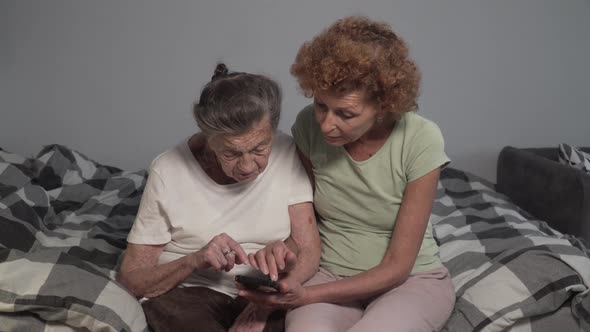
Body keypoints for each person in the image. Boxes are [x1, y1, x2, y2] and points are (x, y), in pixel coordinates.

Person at [238, 16, 456, 332]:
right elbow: (305, 220)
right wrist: (284, 253)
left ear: (384, 105)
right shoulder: (308, 127)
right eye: (321, 105)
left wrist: (306, 296)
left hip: (410, 281)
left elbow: (398, 266)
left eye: (346, 114)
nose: (326, 124)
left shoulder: (421, 138)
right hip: (328, 271)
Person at [117, 63, 320, 332]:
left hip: (263, 290)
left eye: (260, 148)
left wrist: (264, 303)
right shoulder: (167, 170)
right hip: (191, 293)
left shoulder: (287, 151)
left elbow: (308, 248)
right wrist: (195, 259)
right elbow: (133, 279)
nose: (248, 166)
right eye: (231, 154)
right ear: (209, 139)